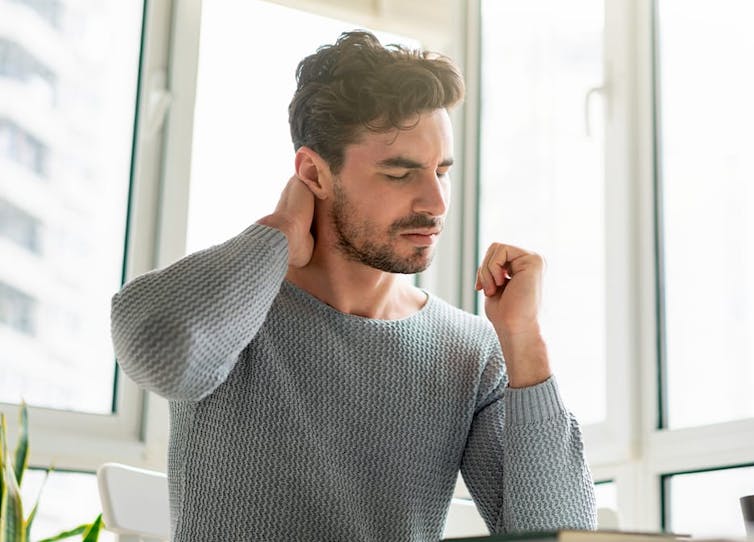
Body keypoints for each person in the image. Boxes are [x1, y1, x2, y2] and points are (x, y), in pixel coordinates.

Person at [111, 30, 596, 541]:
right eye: (400, 173)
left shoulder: (469, 352)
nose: (436, 202)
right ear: (314, 174)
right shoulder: (231, 312)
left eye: (441, 171)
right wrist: (279, 232)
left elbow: (556, 535)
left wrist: (523, 341)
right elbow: (156, 351)